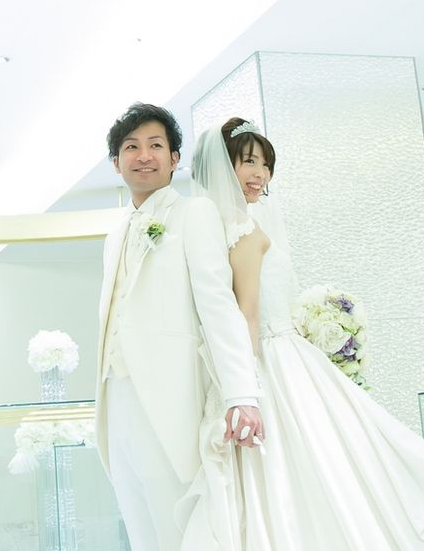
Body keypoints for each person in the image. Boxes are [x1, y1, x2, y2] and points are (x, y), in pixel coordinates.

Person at [187, 117, 424, 550]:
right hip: (273, 361)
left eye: (265, 164)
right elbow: (247, 314)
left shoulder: (239, 226)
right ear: (225, 166)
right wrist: (246, 389)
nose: (260, 174)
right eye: (248, 162)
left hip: (291, 357)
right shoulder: (242, 231)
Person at [95, 103, 265, 551]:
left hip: (171, 397)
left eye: (156, 145)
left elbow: (219, 306)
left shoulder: (195, 214)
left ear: (174, 159)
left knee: (178, 527)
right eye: (131, 147)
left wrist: (242, 394)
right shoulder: (113, 236)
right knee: (139, 529)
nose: (143, 155)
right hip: (116, 398)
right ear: (116, 162)